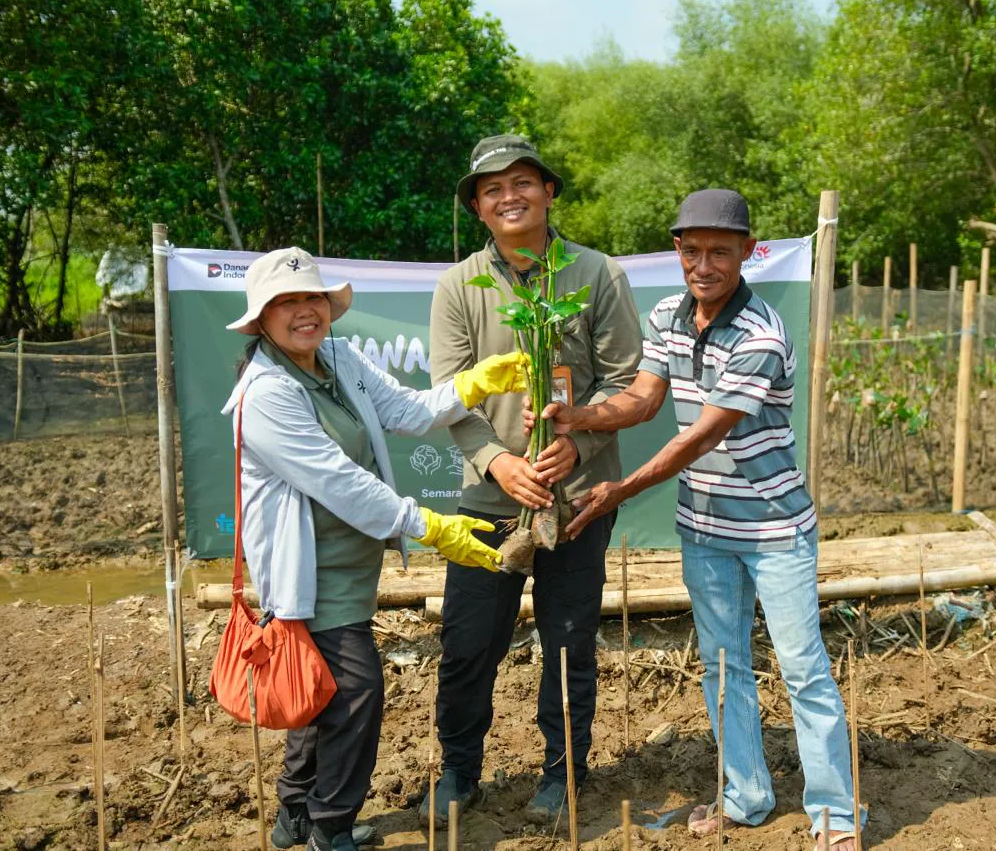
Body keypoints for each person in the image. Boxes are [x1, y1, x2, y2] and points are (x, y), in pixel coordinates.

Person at [525, 190, 863, 848]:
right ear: (677, 250)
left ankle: (835, 815)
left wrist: (619, 488)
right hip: (706, 527)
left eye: (719, 250)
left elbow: (698, 438)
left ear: (747, 251)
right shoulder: (668, 315)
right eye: (691, 249)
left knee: (802, 667)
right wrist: (581, 417)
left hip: (774, 529)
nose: (702, 263)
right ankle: (746, 794)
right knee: (723, 663)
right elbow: (645, 399)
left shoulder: (761, 334)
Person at [221, 246, 529, 851]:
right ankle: (331, 827)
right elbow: (339, 482)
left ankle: (295, 816)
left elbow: (408, 410)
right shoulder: (266, 394)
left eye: (312, 298)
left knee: (319, 686)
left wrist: (472, 384)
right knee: (357, 690)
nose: (304, 311)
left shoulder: (337, 357)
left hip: (349, 565)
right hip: (310, 572)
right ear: (261, 319)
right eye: (286, 303)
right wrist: (432, 527)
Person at [423, 134, 642, 825]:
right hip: (491, 500)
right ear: (478, 210)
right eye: (492, 190)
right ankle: (459, 770)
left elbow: (627, 380)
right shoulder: (462, 285)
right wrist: (500, 461)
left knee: (570, 641)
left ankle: (562, 774)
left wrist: (578, 439)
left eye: (523, 182)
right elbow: (448, 393)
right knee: (466, 643)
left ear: (549, 192)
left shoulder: (595, 274)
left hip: (576, 500)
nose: (509, 197)